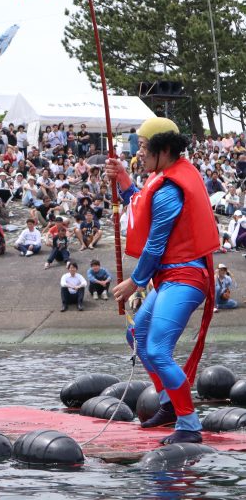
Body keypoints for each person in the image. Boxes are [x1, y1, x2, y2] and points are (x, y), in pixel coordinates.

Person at [107, 117, 219, 445]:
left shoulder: (171, 188)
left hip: (185, 276)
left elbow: (156, 244)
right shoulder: (167, 176)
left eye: (143, 147)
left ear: (164, 150)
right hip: (169, 277)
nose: (138, 153)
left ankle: (189, 424)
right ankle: (170, 404)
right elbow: (142, 202)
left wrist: (134, 282)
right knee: (137, 334)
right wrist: (125, 180)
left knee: (156, 349)